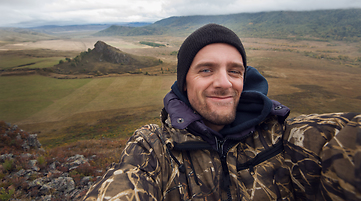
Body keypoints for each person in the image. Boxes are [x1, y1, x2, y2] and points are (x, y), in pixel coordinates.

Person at [83, 24, 361, 201]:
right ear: (184, 82)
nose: (224, 83)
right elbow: (126, 183)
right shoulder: (154, 147)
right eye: (206, 70)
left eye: (234, 71)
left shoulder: (284, 139)